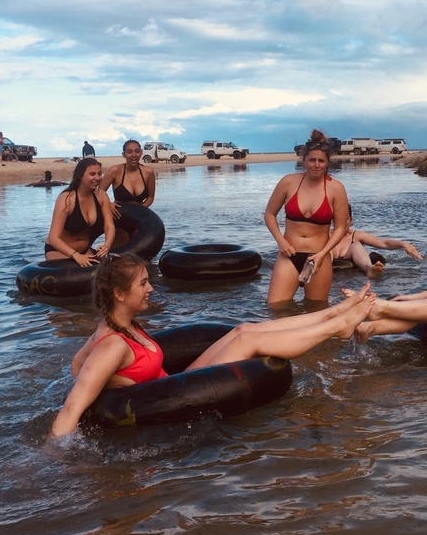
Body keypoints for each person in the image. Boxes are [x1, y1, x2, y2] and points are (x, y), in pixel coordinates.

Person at [49, 254, 375, 437]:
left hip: (172, 382)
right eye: (143, 283)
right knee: (247, 339)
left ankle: (334, 314)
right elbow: (71, 409)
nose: (151, 288)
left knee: (243, 330)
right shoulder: (112, 346)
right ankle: (336, 327)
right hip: (171, 395)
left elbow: (76, 367)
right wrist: (56, 454)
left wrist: (111, 383)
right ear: (120, 294)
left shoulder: (116, 325)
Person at [264, 129, 349, 304]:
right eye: (312, 160)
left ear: (327, 163)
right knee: (275, 307)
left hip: (319, 258)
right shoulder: (288, 182)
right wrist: (281, 241)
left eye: (321, 161)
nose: (316, 165)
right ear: (304, 161)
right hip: (289, 255)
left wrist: (323, 253)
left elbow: (341, 227)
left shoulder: (336, 189)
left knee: (316, 308)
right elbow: (269, 214)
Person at [44, 157, 115, 266]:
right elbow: (53, 238)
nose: (97, 178)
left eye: (99, 174)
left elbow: (109, 226)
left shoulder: (102, 196)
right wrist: (76, 255)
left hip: (85, 250)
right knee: (79, 271)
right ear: (80, 175)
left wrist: (107, 245)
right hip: (59, 251)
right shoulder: (66, 199)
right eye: (92, 174)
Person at [331, 204, 423, 278]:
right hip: (329, 265)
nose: (342, 222)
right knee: (326, 246)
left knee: (356, 245)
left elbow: (384, 243)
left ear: (351, 221)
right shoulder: (326, 235)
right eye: (338, 218)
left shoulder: (356, 235)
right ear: (332, 220)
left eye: (346, 218)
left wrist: (403, 244)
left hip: (352, 269)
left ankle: (370, 269)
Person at [100, 140, 156, 211]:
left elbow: (150, 197)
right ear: (124, 154)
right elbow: (99, 193)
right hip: (119, 214)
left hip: (140, 214)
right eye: (129, 152)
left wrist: (140, 210)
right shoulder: (114, 171)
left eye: (137, 151)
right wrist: (109, 204)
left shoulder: (148, 172)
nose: (134, 155)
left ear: (141, 152)